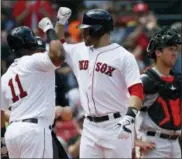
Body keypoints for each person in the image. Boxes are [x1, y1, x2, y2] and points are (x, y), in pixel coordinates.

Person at [39, 7, 144, 158]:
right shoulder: (79, 50)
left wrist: (129, 117)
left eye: (87, 30)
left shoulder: (123, 56)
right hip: (89, 126)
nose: (82, 33)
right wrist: (60, 23)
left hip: (116, 124)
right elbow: (58, 45)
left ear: (98, 30)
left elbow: (136, 90)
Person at [0, 23, 66, 158]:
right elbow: (59, 54)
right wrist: (49, 28)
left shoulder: (6, 75)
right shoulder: (34, 61)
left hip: (12, 133)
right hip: (34, 131)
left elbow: (0, 114)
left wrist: (2, 140)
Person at [135, 26, 182, 158]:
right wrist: (134, 141)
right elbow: (125, 110)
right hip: (153, 143)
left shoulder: (178, 80)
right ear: (158, 52)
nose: (174, 53)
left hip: (175, 143)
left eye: (175, 49)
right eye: (170, 49)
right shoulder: (146, 80)